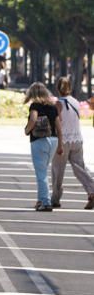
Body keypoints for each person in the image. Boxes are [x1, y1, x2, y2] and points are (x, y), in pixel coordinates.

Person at [51, 77, 94, 210]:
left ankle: (55, 199)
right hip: (77, 139)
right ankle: (91, 191)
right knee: (80, 169)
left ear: (58, 88)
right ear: (70, 88)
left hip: (63, 140)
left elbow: (58, 122)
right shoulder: (75, 102)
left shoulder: (58, 103)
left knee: (57, 170)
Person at [24, 82, 63, 212]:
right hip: (53, 140)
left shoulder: (35, 106)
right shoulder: (52, 107)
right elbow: (59, 127)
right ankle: (41, 199)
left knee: (41, 174)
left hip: (39, 141)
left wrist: (27, 130)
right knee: (43, 172)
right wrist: (61, 144)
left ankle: (46, 203)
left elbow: (33, 119)